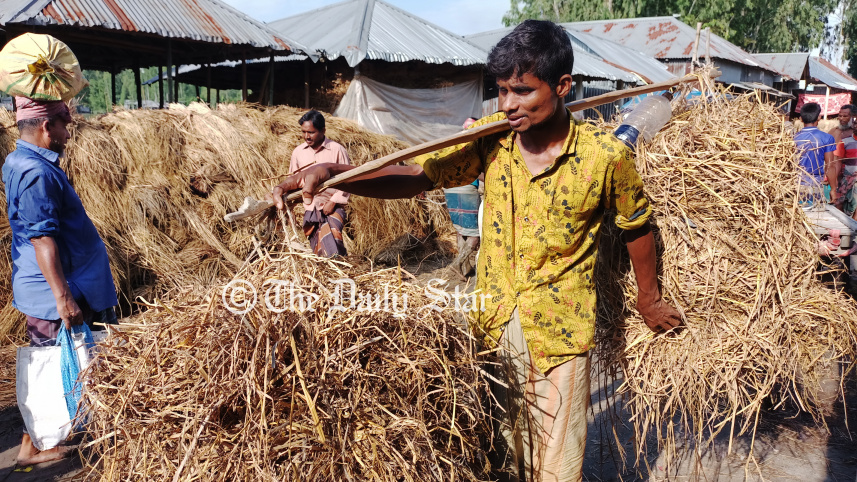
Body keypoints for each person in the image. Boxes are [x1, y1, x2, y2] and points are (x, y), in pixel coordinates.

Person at [272, 20, 680, 481]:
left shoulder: (605, 156)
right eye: (501, 90)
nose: (507, 104)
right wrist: (332, 171)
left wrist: (648, 297)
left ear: (562, 86)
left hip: (562, 329)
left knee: (557, 464)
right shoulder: (492, 137)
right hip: (494, 320)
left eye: (521, 91)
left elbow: (636, 224)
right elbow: (419, 175)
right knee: (504, 454)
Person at [4, 97, 118, 465]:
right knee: (51, 367)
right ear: (46, 126)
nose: (69, 133)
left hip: (60, 285)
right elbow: (42, 238)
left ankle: (32, 444)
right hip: (58, 290)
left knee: (49, 367)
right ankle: (35, 448)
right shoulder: (36, 171)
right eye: (65, 124)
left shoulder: (22, 160)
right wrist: (63, 297)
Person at [289, 110, 352, 257]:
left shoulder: (337, 150)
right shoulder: (298, 152)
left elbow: (347, 180)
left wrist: (333, 201)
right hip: (311, 209)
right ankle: (326, 273)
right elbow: (294, 180)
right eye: (303, 132)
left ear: (323, 130)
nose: (306, 136)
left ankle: (339, 268)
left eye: (311, 132)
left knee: (334, 239)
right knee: (317, 245)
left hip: (334, 207)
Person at [443, 117, 482, 277]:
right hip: (466, 190)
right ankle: (457, 263)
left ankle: (465, 270)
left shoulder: (453, 144)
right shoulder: (474, 145)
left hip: (450, 190)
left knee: (461, 231)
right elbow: (478, 173)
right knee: (474, 234)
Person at [793, 102, 836, 204]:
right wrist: (833, 189)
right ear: (819, 118)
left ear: (801, 119)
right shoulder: (827, 138)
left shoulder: (792, 138)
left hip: (794, 184)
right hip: (815, 184)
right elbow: (830, 166)